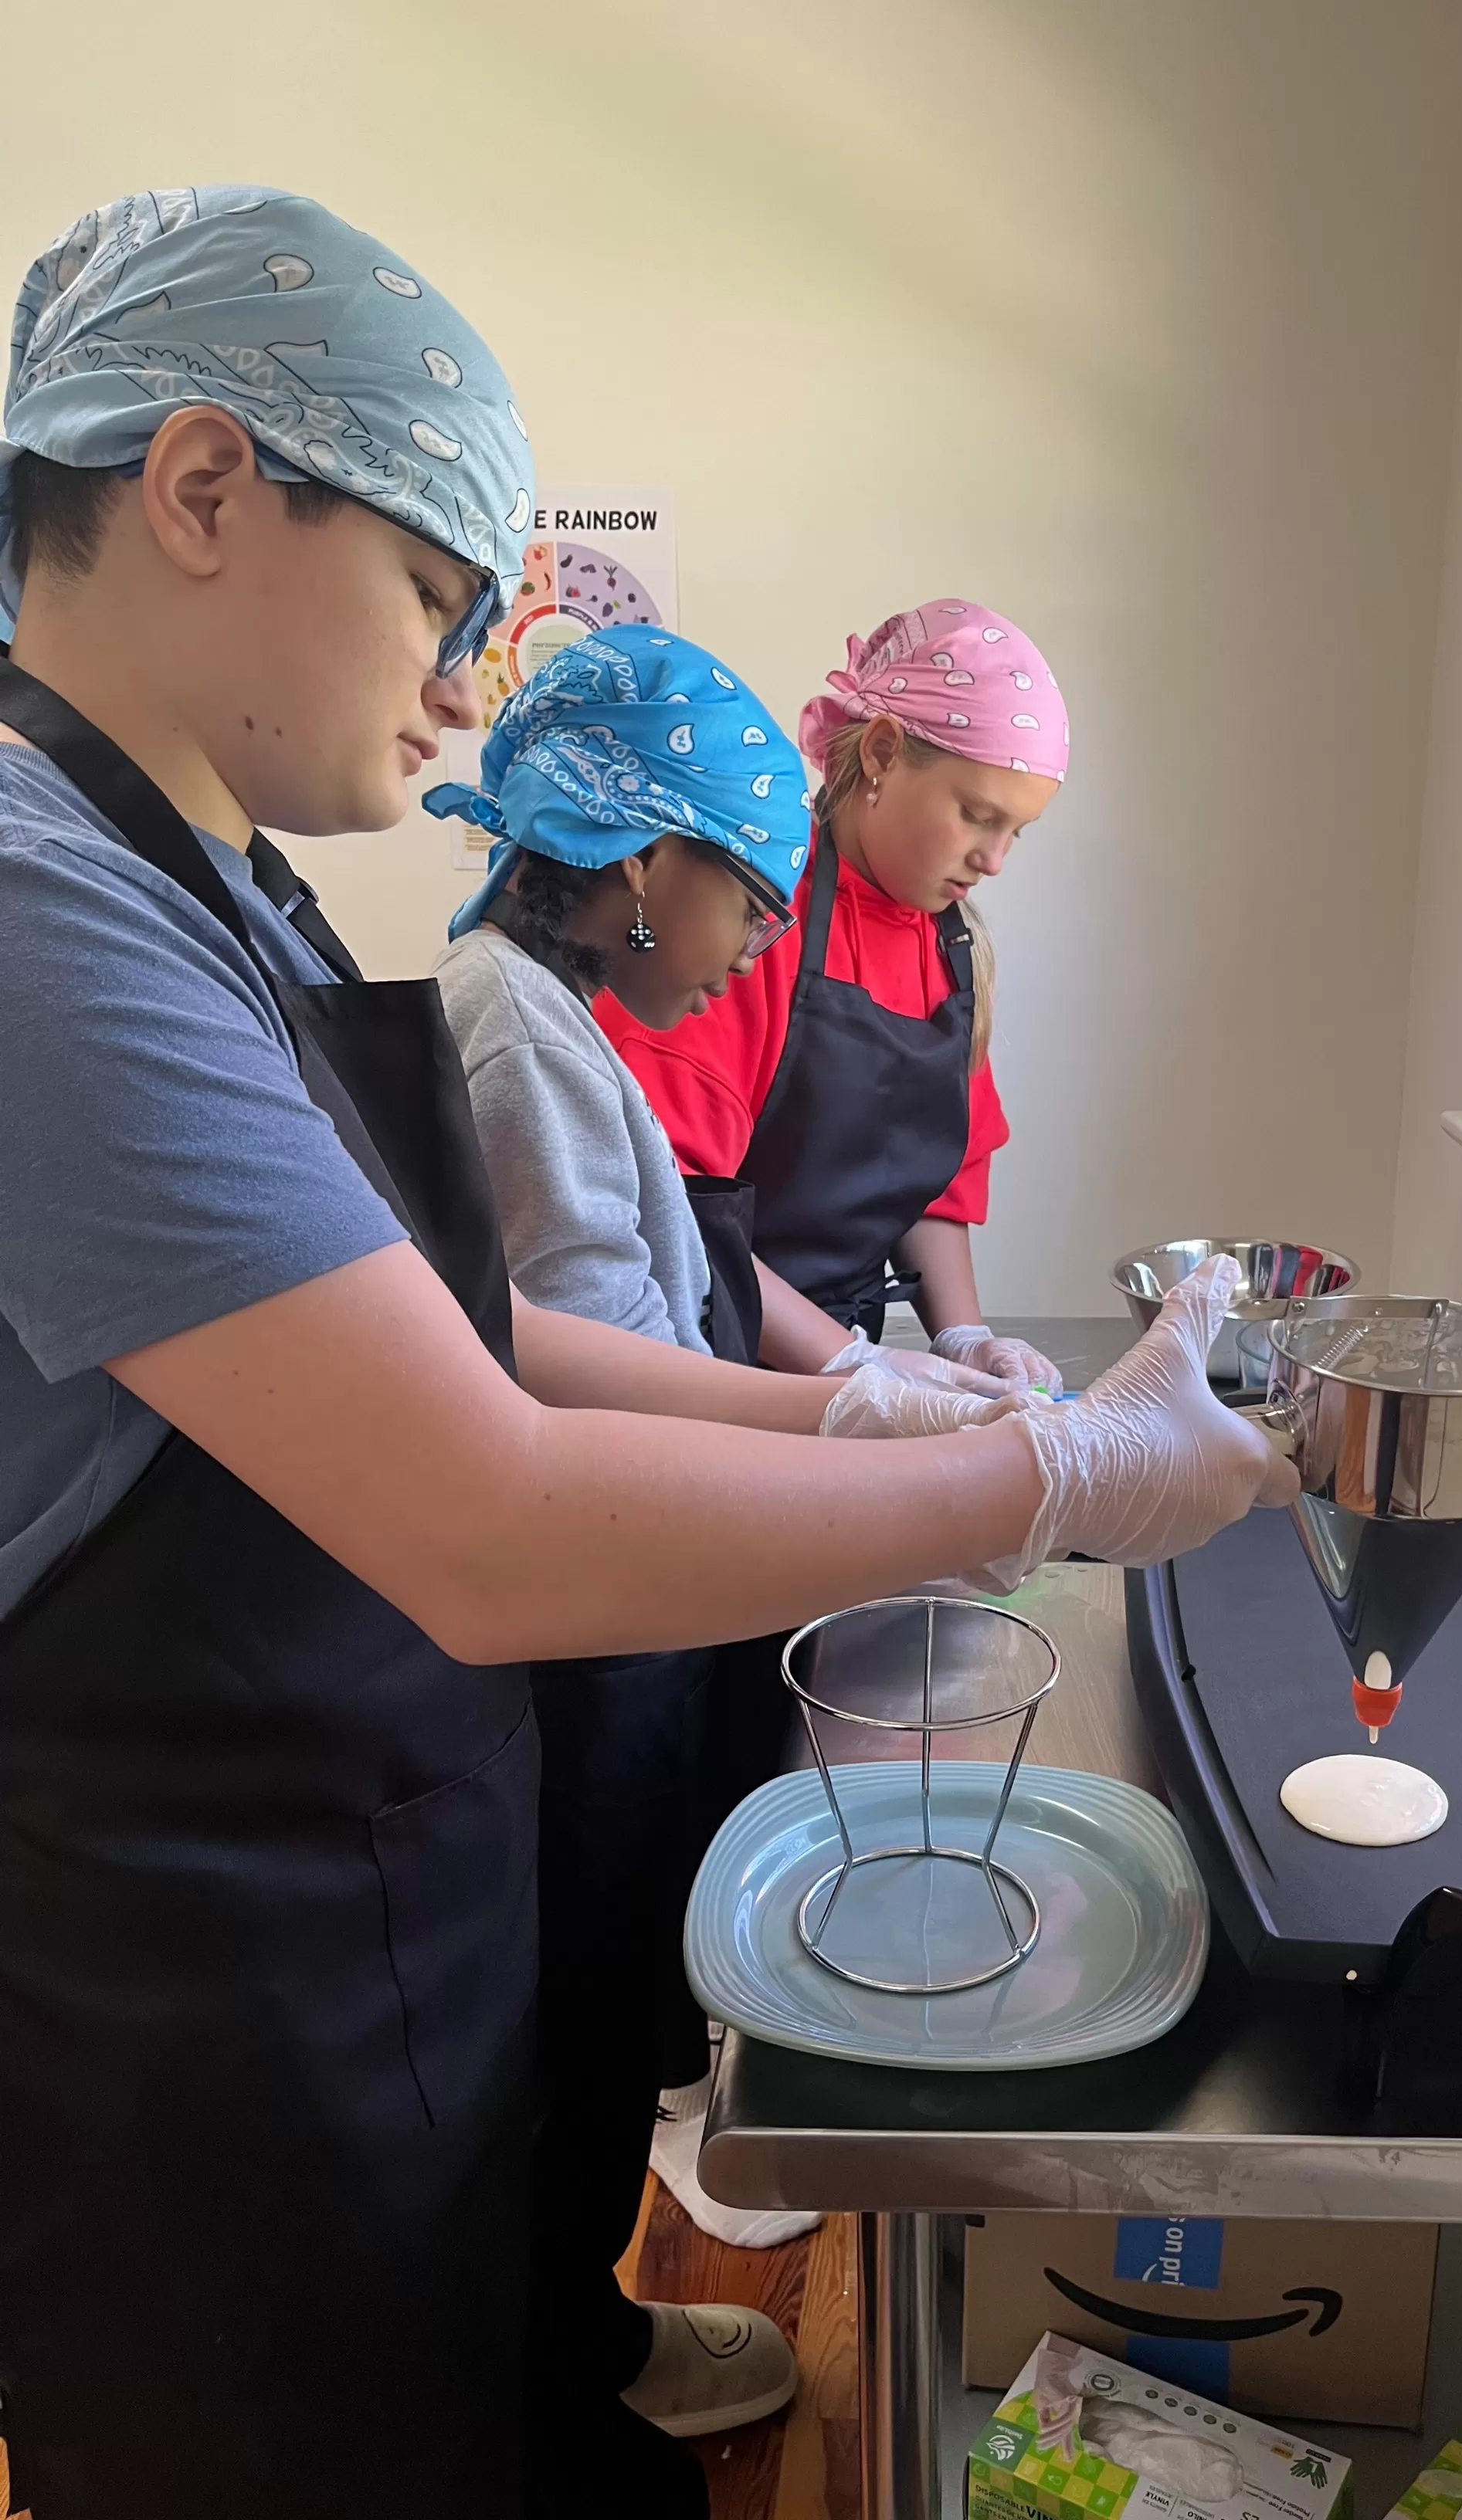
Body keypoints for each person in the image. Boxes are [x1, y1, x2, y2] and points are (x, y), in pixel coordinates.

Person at [0, 188, 1292, 2520]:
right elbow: (491, 1515)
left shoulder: (226, 893)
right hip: (196, 1959)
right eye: (437, 595)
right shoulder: (39, 909)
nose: (467, 689)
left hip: (352, 1872)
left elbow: (473, 1338)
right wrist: (1050, 1482)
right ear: (197, 486)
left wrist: (854, 1399)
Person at [424, 622, 998, 2429]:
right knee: (587, 2021)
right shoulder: (516, 1034)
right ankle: (561, 2373)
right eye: (744, 899)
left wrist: (896, 1385)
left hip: (636, 1577)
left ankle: (567, 2345)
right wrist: (866, 1431)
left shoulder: (552, 1017)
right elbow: (594, 1361)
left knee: (611, 2007)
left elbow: (689, 1288)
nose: (760, 939)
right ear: (636, 862)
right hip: (599, 1616)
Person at [599, 598, 1073, 1391]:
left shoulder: (954, 953)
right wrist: (853, 1367)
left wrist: (964, 1337)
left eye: (1014, 832)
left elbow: (936, 1187)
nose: (993, 860)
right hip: (708, 1360)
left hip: (839, 1364)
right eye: (976, 815)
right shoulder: (747, 920)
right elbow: (675, 1207)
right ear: (882, 753)